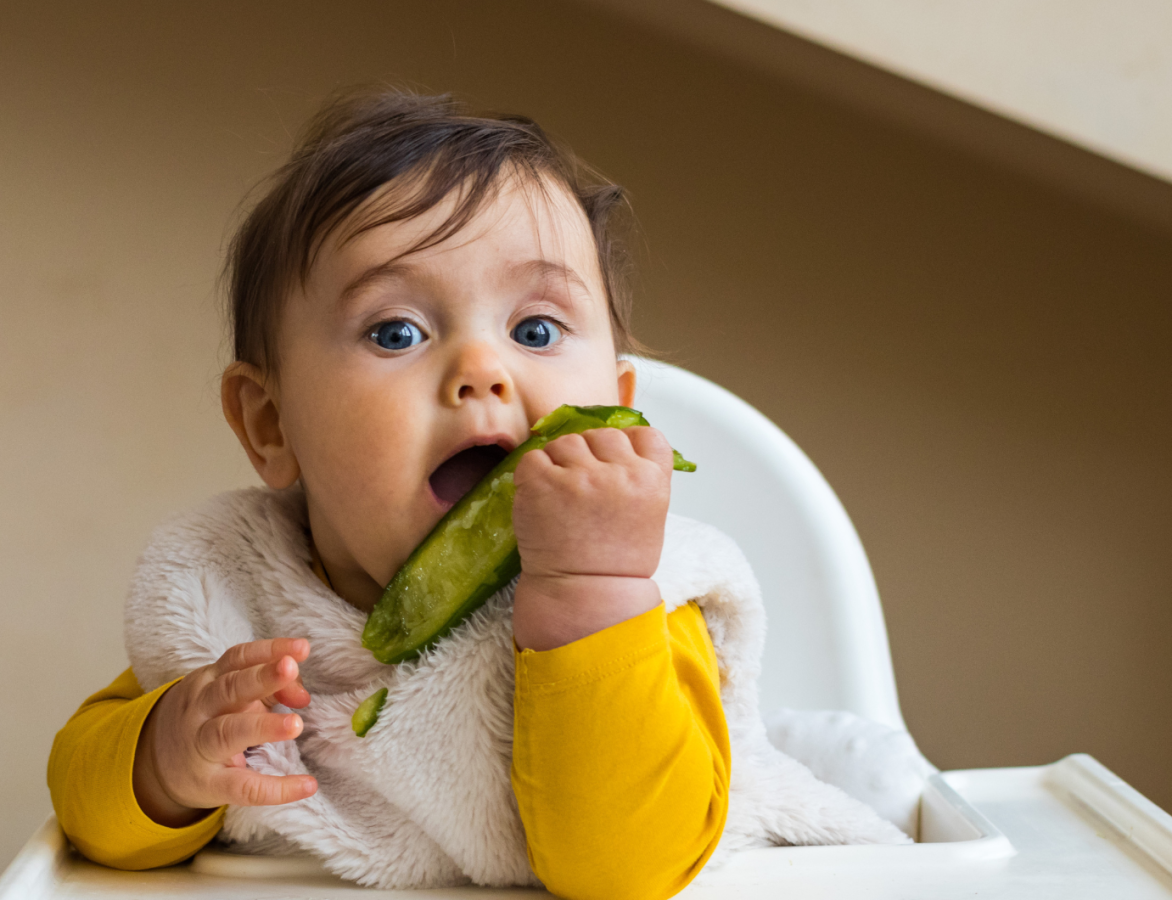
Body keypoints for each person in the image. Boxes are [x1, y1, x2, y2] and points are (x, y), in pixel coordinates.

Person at [48, 90, 907, 900]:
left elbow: (626, 869)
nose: (481, 371)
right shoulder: (237, 594)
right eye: (397, 332)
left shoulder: (644, 602)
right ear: (271, 424)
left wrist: (589, 592)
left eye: (535, 330)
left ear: (617, 406)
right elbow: (89, 818)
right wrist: (164, 760)